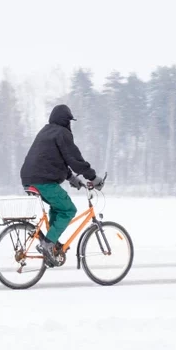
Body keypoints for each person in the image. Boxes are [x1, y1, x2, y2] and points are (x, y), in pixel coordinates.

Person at [20, 104, 104, 265]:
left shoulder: (46, 132)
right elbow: (74, 159)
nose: (70, 125)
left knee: (58, 207)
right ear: (66, 121)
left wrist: (72, 178)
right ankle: (48, 243)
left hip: (29, 178)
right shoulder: (62, 133)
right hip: (43, 180)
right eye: (69, 121)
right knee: (69, 209)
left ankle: (52, 243)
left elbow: (52, 160)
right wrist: (93, 177)